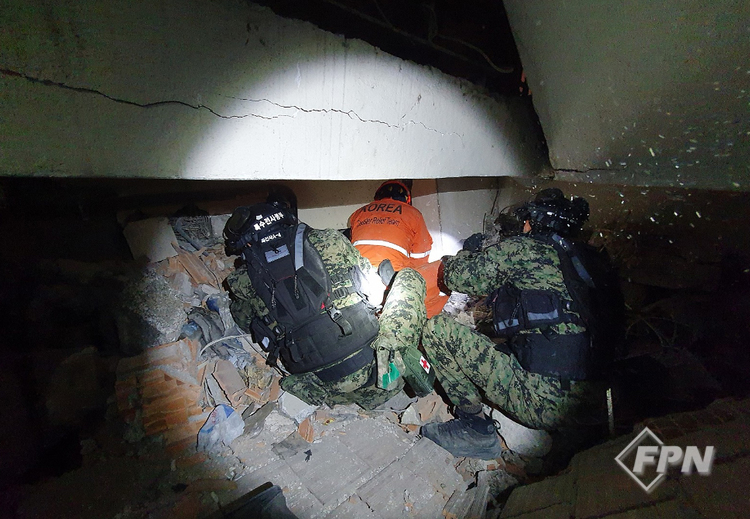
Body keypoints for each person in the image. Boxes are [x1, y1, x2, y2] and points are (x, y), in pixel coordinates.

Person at [420, 188, 623, 459]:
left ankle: (474, 427)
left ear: (532, 222)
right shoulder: (594, 259)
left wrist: (467, 252)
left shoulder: (524, 249)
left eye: (526, 220)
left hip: (544, 402)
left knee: (436, 330)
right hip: (601, 401)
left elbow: (457, 278)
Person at [223, 190, 433, 410]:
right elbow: (370, 284)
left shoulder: (241, 280)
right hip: (376, 371)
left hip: (321, 384)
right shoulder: (329, 239)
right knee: (408, 277)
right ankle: (397, 361)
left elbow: (244, 322)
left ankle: (342, 395)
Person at [348, 180, 448, 318]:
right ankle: (418, 322)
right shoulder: (412, 213)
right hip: (390, 285)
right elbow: (421, 256)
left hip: (357, 281)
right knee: (446, 271)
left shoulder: (358, 213)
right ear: (406, 198)